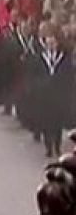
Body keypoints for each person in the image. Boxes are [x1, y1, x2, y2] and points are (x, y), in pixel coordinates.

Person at [20, 21, 75, 158]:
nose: (51, 44)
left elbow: (69, 76)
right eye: (48, 42)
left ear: (57, 43)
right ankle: (48, 147)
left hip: (58, 95)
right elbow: (33, 76)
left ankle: (57, 144)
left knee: (57, 123)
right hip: (44, 96)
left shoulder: (64, 59)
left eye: (53, 42)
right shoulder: (39, 58)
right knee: (46, 122)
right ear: (45, 43)